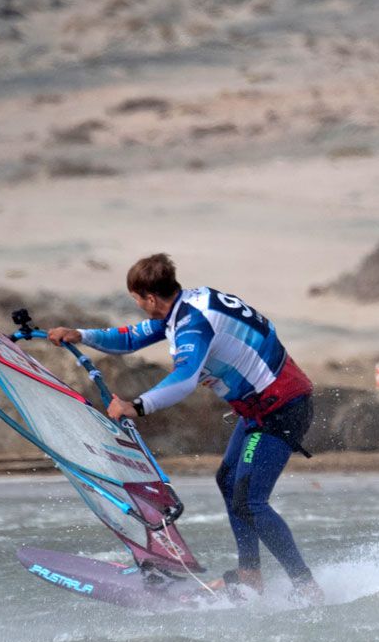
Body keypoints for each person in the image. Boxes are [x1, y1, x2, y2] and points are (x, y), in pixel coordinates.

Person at [46, 253, 323, 602]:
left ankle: (306, 586)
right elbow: (132, 337)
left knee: (250, 500)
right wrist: (80, 335)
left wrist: (136, 406)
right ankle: (250, 575)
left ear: (150, 298)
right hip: (261, 407)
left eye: (137, 299)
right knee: (228, 481)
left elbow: (184, 379)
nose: (138, 306)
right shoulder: (189, 303)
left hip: (280, 409)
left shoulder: (192, 323)